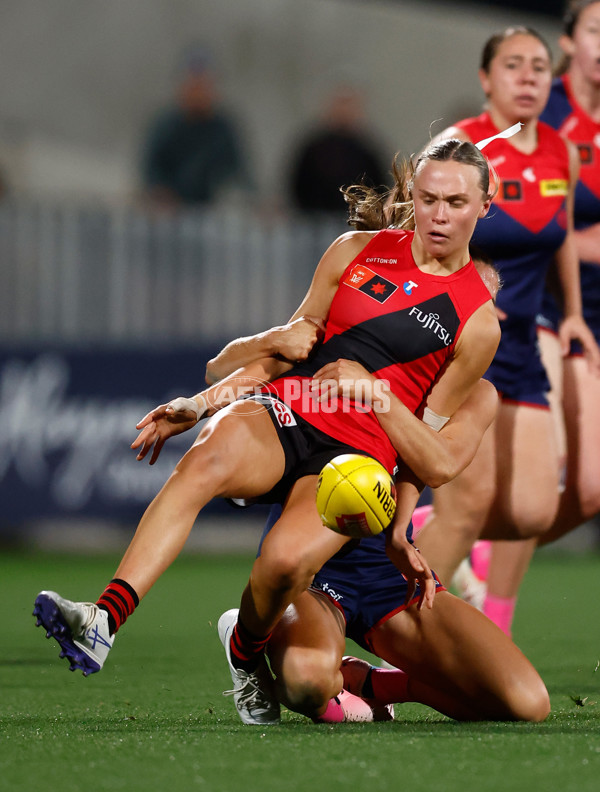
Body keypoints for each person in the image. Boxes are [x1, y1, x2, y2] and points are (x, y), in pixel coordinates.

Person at [33, 137, 500, 727]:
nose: (439, 214)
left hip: (358, 459)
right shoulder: (354, 252)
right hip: (292, 407)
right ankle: (103, 621)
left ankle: (245, 652)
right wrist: (200, 403)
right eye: (429, 198)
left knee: (282, 565)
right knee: (203, 460)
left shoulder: (478, 324)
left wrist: (401, 529)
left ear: (486, 203)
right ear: (412, 194)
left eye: (456, 202)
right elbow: (287, 352)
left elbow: (424, 447)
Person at [415, 26, 600, 637]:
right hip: (466, 344)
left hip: (524, 340)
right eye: (513, 65)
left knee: (529, 511)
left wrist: (571, 311)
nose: (528, 76)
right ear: (486, 78)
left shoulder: (560, 150)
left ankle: (420, 529)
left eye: (538, 67)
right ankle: (393, 636)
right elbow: (414, 234)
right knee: (469, 507)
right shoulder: (460, 146)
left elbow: (561, 237)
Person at [250, 378, 549, 725]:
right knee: (306, 683)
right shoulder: (335, 359)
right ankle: (247, 637)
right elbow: (226, 371)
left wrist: (379, 397)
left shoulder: (475, 391)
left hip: (387, 572)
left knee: (526, 705)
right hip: (311, 572)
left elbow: (439, 466)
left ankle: (372, 684)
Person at [535, 0, 600, 547]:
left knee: (589, 493)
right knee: (547, 471)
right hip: (547, 312)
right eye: (596, 31)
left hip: (590, 315)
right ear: (569, 41)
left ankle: (479, 553)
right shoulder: (544, 112)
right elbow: (527, 219)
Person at [140, 44, 250, 207]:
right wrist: (160, 194)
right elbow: (151, 174)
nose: (198, 92)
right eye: (193, 86)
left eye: (204, 86)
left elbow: (239, 177)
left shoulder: (225, 130)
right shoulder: (164, 127)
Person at [288, 81, 388, 215]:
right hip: (316, 220)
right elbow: (298, 184)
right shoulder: (314, 148)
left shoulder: (366, 150)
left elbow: (380, 188)